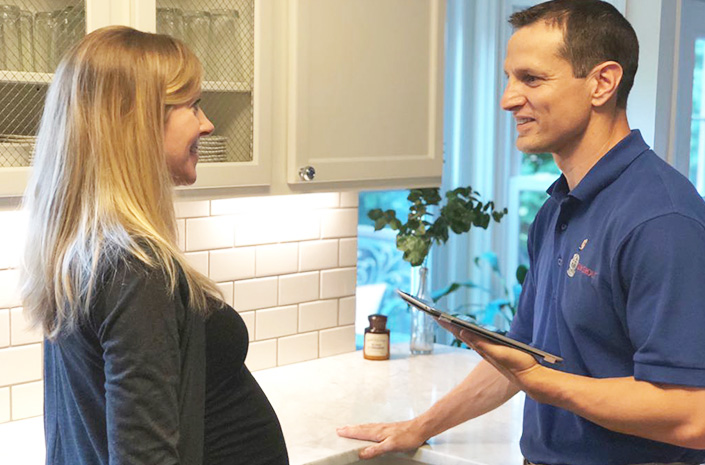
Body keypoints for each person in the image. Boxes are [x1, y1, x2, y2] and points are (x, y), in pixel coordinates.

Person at [337, 1, 705, 463]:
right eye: (509, 79)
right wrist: (421, 426)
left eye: (531, 79)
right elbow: (526, 355)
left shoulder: (661, 220)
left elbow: (692, 415)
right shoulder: (558, 208)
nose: (508, 99)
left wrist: (542, 383)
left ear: (602, 83)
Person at [21, 26, 289, 465]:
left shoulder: (88, 250)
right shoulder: (135, 271)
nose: (207, 124)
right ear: (139, 121)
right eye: (193, 105)